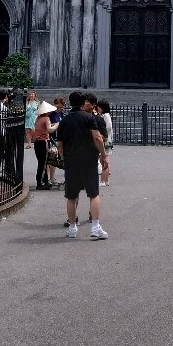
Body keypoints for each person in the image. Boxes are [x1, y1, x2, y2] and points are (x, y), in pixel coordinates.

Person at [57, 91, 110, 240]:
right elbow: (98, 138)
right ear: (82, 103)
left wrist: (63, 159)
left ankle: (73, 228)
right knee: (93, 194)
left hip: (71, 161)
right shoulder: (89, 118)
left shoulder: (65, 121)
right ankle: (95, 226)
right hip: (88, 160)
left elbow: (60, 145)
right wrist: (103, 156)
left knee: (71, 196)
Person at [33, 101, 58, 190]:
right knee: (44, 163)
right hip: (43, 142)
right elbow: (50, 130)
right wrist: (57, 125)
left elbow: (42, 128)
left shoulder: (38, 118)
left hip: (37, 142)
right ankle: (41, 182)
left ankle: (43, 181)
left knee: (41, 162)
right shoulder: (46, 118)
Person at [96, 100, 114, 186]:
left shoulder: (105, 116)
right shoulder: (104, 115)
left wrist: (101, 133)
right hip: (107, 140)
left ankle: (103, 180)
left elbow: (108, 127)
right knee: (105, 160)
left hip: (106, 140)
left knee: (104, 160)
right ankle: (106, 180)